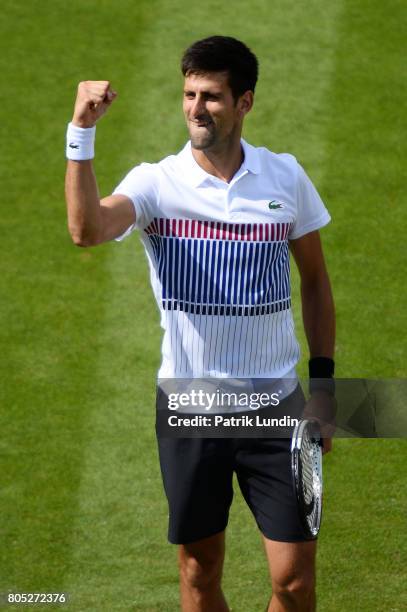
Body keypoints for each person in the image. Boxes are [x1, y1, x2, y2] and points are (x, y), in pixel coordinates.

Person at [65, 36, 335, 612]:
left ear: (245, 103)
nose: (195, 108)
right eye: (188, 94)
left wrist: (327, 387)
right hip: (189, 407)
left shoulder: (285, 178)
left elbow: (315, 280)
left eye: (211, 96)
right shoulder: (155, 183)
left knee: (294, 581)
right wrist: (80, 134)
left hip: (279, 409)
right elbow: (86, 230)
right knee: (198, 573)